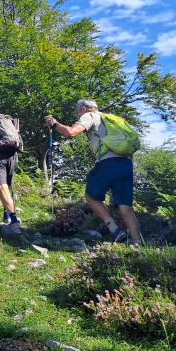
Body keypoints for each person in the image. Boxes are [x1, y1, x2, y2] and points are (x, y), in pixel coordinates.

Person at [45, 99, 141, 245]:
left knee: (91, 196)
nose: (78, 116)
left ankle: (115, 230)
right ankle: (137, 244)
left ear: (83, 109)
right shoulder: (113, 119)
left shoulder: (90, 116)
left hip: (108, 163)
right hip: (126, 163)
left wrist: (54, 124)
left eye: (78, 113)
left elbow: (70, 132)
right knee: (125, 207)